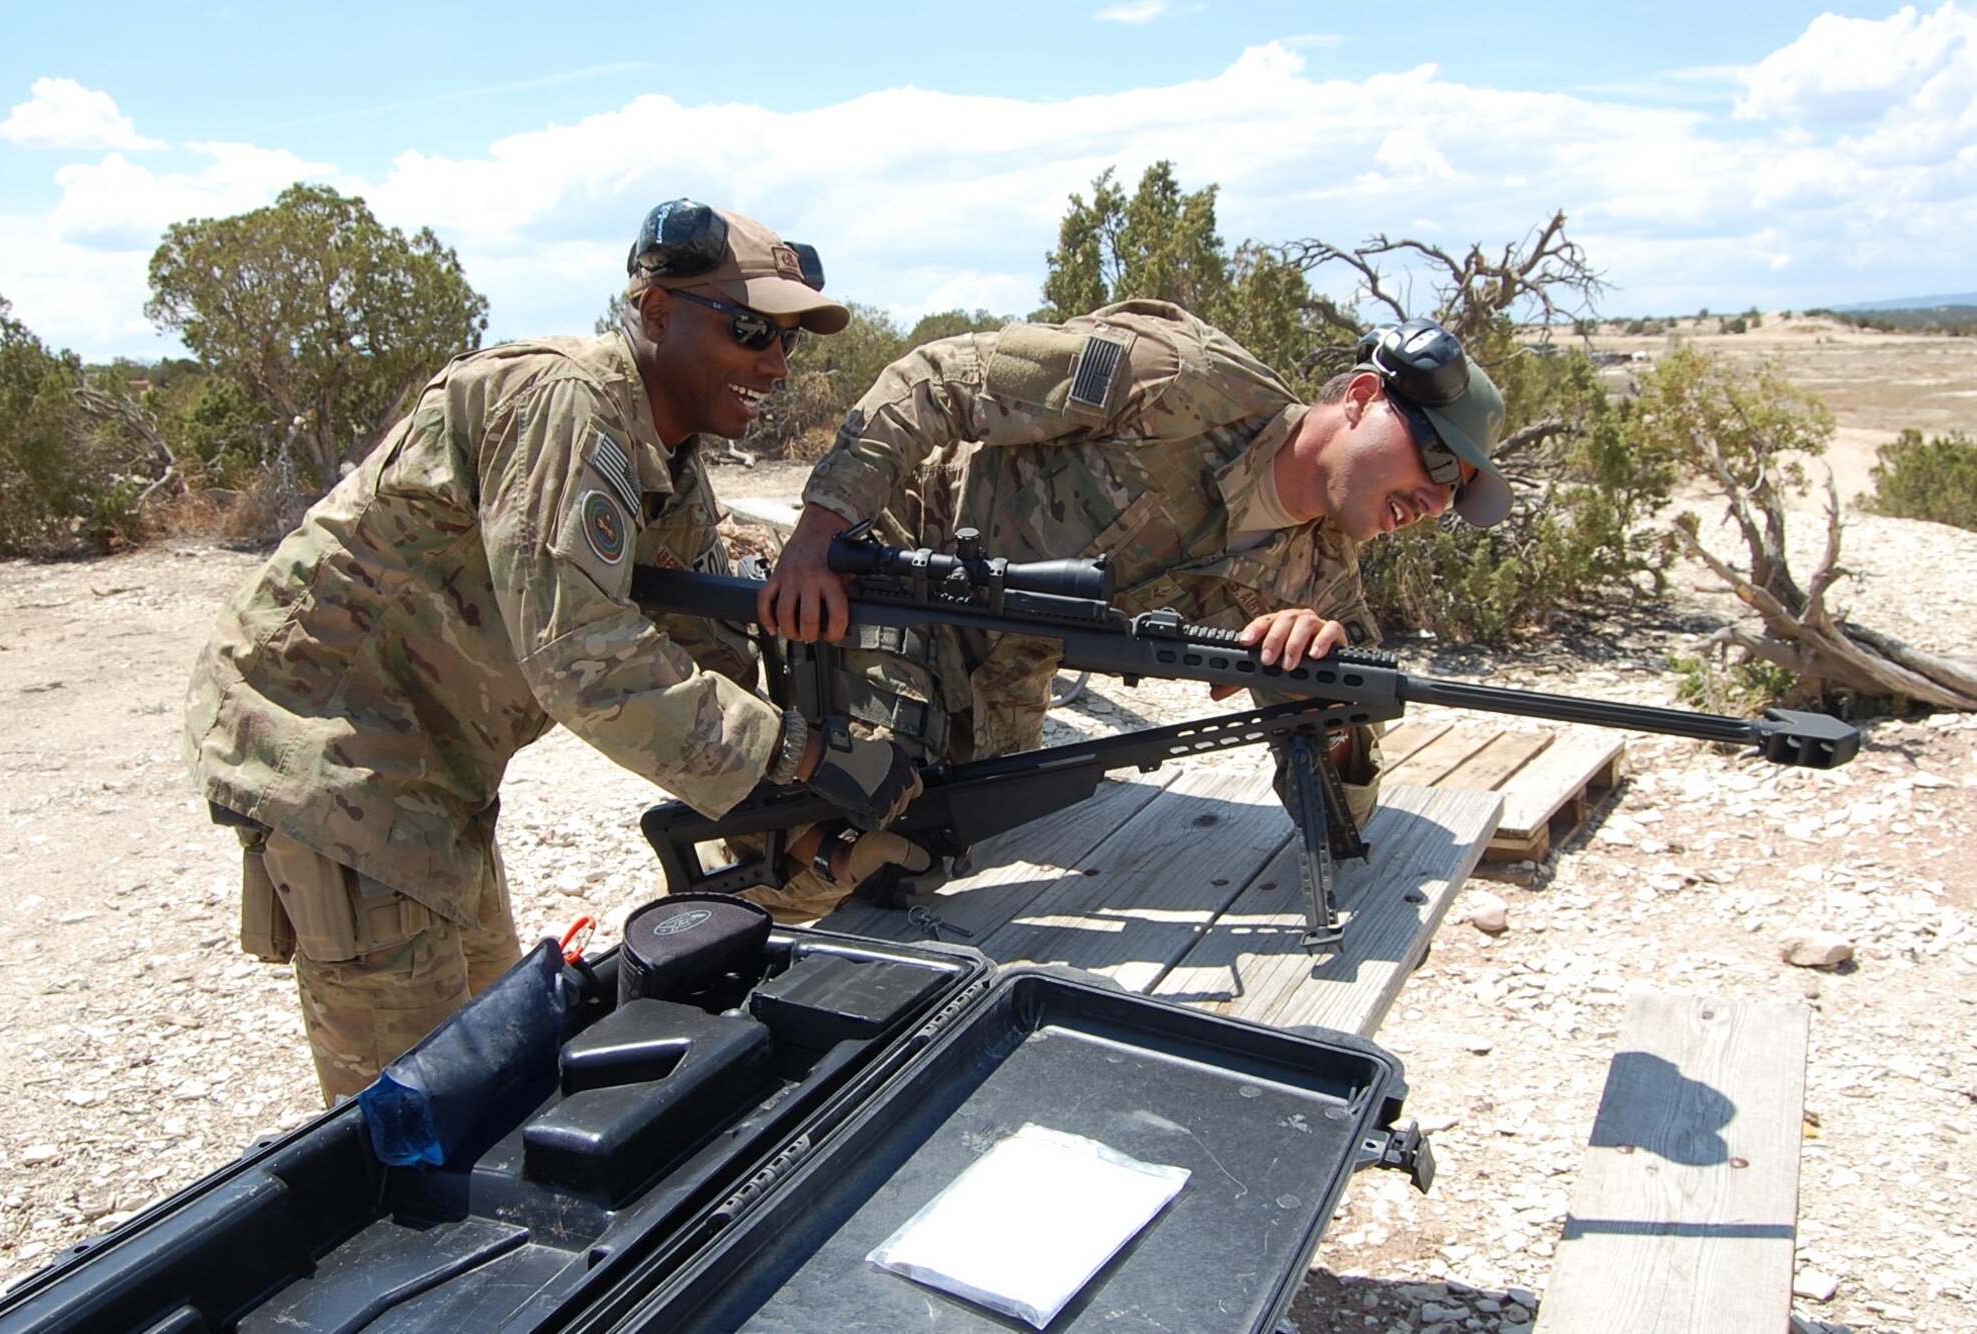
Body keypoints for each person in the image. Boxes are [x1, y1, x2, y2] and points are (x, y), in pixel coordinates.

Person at [185, 200, 921, 1104]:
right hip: (331, 748)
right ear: (655, 313)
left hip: (436, 766)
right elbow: (585, 658)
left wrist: (809, 836)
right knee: (423, 1107)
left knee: (501, 1048)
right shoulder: (563, 404)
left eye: (786, 342)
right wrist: (806, 752)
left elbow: (701, 663)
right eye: (748, 329)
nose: (772, 362)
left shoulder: (670, 461)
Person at [756, 302, 1510, 914]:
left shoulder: (1320, 579)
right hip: (899, 578)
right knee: (824, 833)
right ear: (1361, 398)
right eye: (1437, 461)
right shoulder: (1175, 381)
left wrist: (1332, 719)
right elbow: (935, 379)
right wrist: (824, 525)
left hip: (1003, 680)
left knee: (926, 864)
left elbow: (1346, 807)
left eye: (1457, 493)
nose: (1437, 501)